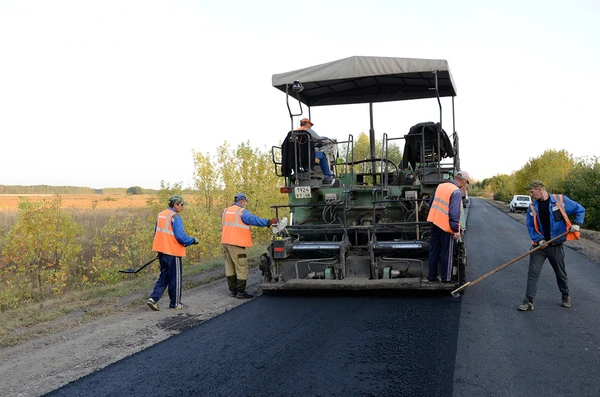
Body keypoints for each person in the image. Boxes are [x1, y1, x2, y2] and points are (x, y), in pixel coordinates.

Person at [518, 180, 586, 311]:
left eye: (532, 191)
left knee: (560, 273)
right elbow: (530, 227)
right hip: (540, 247)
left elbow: (580, 209)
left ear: (539, 189)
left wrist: (577, 223)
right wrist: (540, 239)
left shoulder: (560, 200)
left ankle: (565, 295)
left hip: (556, 245)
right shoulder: (532, 207)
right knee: (533, 273)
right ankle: (528, 301)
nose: (531, 195)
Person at [147, 195, 199, 311]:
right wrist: (193, 240)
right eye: (181, 204)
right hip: (173, 252)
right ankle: (175, 304)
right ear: (175, 205)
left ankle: (153, 299)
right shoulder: (175, 217)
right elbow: (181, 237)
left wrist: (160, 249)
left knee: (164, 276)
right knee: (175, 278)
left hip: (162, 251)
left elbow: (156, 232)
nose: (182, 207)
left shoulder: (161, 215)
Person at [221, 193, 278, 299]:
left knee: (230, 267)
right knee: (241, 267)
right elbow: (253, 220)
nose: (245, 204)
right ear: (242, 201)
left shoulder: (225, 211)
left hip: (225, 242)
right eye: (245, 202)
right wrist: (268, 222)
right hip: (236, 243)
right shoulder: (242, 212)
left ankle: (233, 291)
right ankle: (241, 292)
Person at [426, 170, 470, 282]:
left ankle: (432, 277)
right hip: (446, 227)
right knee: (447, 253)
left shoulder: (440, 186)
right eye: (465, 182)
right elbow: (454, 213)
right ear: (462, 180)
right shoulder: (456, 192)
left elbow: (431, 203)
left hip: (435, 222)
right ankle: (446, 279)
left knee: (434, 250)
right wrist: (456, 230)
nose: (464, 185)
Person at [298, 118, 335, 184]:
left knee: (306, 155)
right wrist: (327, 141)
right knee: (322, 155)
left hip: (297, 156)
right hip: (308, 154)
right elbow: (319, 139)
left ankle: (306, 169)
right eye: (310, 124)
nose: (310, 126)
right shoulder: (308, 131)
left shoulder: (294, 132)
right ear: (306, 123)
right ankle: (327, 175)